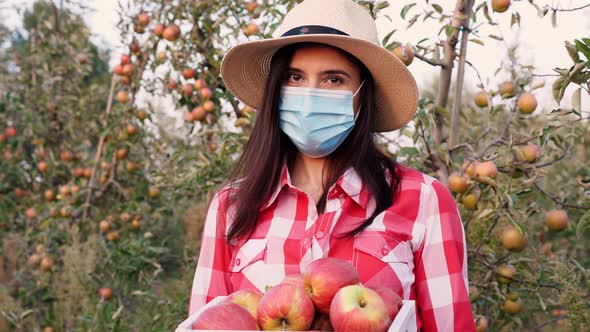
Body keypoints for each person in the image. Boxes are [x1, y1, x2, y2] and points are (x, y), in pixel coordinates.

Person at [188, 0, 476, 330]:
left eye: (334, 80)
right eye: (295, 77)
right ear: (277, 91)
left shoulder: (422, 201)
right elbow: (205, 323)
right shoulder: (233, 207)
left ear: (362, 94)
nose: (309, 94)